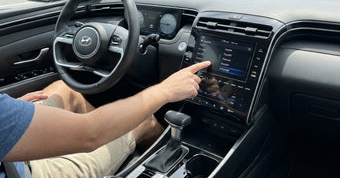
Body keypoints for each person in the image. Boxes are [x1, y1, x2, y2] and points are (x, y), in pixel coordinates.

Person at [0, 61, 211, 178]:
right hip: (28, 172)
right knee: (141, 122)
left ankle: (113, 146)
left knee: (64, 90)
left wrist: (14, 109)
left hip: (11, 157)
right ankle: (148, 147)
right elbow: (90, 134)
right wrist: (165, 90)